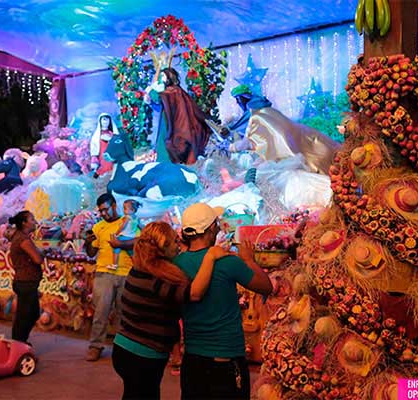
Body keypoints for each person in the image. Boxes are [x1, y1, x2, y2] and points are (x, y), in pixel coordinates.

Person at [112, 221, 229, 400]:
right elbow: (194, 294)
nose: (179, 246)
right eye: (175, 242)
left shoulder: (140, 267)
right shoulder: (158, 277)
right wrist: (210, 257)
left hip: (125, 350)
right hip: (142, 356)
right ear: (163, 247)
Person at [173, 203, 273, 400]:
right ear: (211, 229)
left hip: (192, 359)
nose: (219, 227)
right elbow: (266, 287)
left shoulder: (176, 264)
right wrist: (249, 260)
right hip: (226, 359)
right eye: (216, 223)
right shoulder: (227, 262)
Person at [226, 85, 340, 175]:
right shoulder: (269, 111)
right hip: (298, 145)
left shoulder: (256, 117)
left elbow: (249, 143)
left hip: (285, 159)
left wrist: (231, 147)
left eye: (238, 100)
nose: (237, 103)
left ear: (243, 99)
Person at [84, 192, 136, 361]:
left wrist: (120, 244)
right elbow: (92, 253)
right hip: (104, 273)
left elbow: (138, 241)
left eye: (106, 210)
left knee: (124, 314)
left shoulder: (129, 222)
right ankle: (95, 346)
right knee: (101, 312)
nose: (104, 214)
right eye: (101, 211)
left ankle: (123, 348)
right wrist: (87, 242)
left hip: (126, 273)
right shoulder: (99, 227)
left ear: (114, 206)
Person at [145, 67, 211, 165]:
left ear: (169, 77)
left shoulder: (172, 91)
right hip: (169, 119)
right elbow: (160, 103)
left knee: (165, 140)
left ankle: (165, 162)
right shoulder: (174, 90)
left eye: (163, 76)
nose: (161, 78)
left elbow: (159, 98)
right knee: (163, 139)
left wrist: (150, 90)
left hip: (173, 122)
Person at [7, 210, 43, 345]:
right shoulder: (23, 239)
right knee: (26, 315)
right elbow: (38, 259)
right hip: (25, 282)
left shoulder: (19, 237)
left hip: (25, 282)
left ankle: (19, 341)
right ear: (24, 223)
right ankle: (18, 343)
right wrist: (42, 252)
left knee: (29, 314)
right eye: (32, 219)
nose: (35, 222)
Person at [112, 199, 142, 268]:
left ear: (133, 210)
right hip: (131, 238)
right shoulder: (137, 218)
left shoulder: (127, 217)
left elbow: (123, 227)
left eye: (125, 209)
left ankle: (114, 265)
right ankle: (136, 266)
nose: (123, 211)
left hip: (124, 236)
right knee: (131, 252)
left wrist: (116, 233)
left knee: (116, 248)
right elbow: (140, 226)